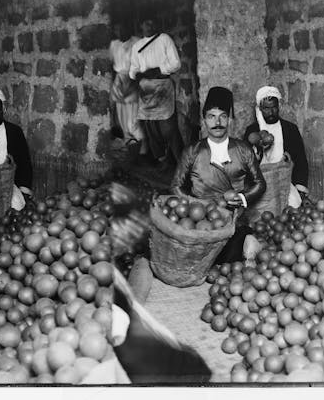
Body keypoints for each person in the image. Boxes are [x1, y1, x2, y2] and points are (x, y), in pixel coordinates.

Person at [171, 87, 266, 263]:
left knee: (231, 251)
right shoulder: (192, 151)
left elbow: (260, 183)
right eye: (211, 116)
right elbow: (176, 186)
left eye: (223, 116)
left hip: (233, 221)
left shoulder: (242, 149)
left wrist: (243, 198)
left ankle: (245, 245)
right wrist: (199, 206)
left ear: (230, 120)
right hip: (200, 221)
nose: (218, 122)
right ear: (204, 120)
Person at [129, 14, 183, 172]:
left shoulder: (164, 39)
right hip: (146, 89)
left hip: (163, 86)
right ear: (141, 26)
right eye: (147, 23)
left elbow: (175, 63)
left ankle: (181, 163)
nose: (150, 27)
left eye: (153, 23)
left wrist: (158, 70)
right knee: (151, 127)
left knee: (168, 127)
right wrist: (137, 74)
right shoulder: (137, 45)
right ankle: (164, 159)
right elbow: (133, 69)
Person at [243, 86, 309, 207]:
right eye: (266, 108)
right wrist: (256, 154)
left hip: (284, 181)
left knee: (293, 205)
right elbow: (245, 162)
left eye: (274, 107)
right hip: (260, 182)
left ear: (279, 106)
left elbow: (301, 160)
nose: (271, 112)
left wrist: (300, 188)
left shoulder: (290, 129)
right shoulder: (252, 131)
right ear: (260, 109)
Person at [109, 22, 147, 158]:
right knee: (122, 118)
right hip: (119, 82)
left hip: (133, 80)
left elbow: (143, 64)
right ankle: (131, 152)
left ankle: (142, 150)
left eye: (122, 28)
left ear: (127, 28)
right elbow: (110, 65)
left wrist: (135, 80)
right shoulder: (114, 45)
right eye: (117, 29)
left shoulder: (136, 42)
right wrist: (116, 83)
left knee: (133, 120)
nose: (120, 32)